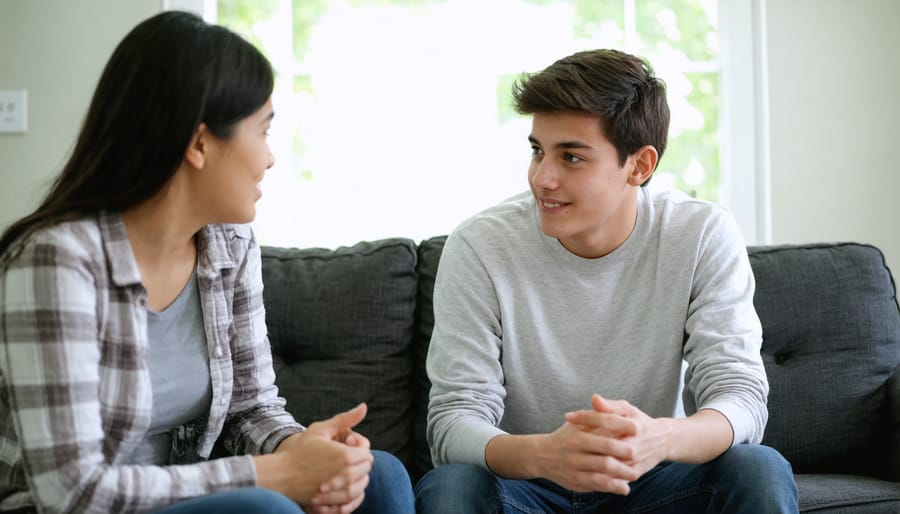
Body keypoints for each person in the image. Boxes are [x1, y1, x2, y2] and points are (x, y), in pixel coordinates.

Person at [0, 11, 414, 514]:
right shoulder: (55, 262)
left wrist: (298, 450)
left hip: (191, 497)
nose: (270, 158)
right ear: (199, 144)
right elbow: (72, 491)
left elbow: (250, 407)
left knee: (382, 477)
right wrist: (272, 476)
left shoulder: (229, 244)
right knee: (266, 510)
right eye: (262, 132)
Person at [414, 49, 799, 513]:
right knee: (452, 487)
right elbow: (454, 421)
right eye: (538, 150)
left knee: (758, 467)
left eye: (571, 157)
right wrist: (545, 455)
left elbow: (740, 397)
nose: (542, 178)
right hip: (526, 484)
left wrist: (660, 439)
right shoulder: (479, 245)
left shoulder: (700, 235)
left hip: (654, 481)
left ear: (639, 166)